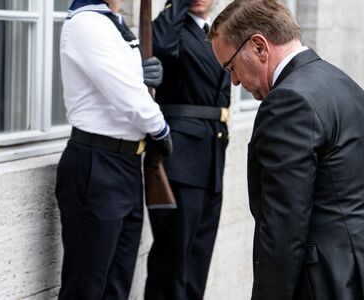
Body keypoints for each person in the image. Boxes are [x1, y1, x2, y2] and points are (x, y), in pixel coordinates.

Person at [208, 0, 364, 299]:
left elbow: (283, 229)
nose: (234, 80)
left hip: (327, 283)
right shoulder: (346, 85)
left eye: (231, 66)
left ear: (259, 47)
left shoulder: (288, 101)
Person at [56, 0, 172, 299]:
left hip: (127, 164)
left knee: (118, 286)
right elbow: (126, 93)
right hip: (97, 163)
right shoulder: (87, 22)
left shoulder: (113, 22)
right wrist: (159, 127)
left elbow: (129, 84)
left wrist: (144, 73)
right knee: (85, 289)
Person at [144, 0, 230, 299]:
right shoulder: (173, 28)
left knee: (197, 261)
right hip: (180, 161)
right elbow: (158, 45)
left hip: (212, 157)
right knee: (172, 262)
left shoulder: (216, 32)